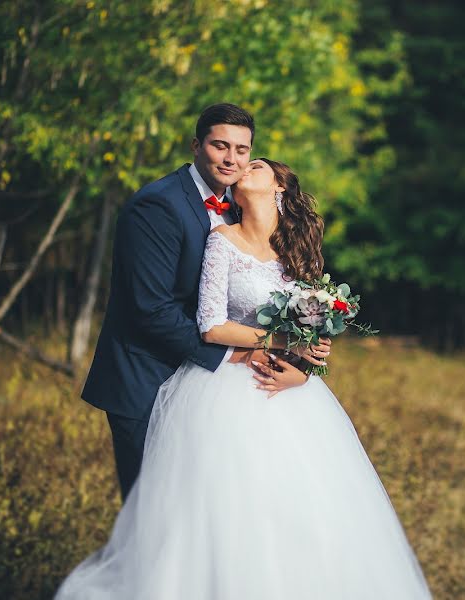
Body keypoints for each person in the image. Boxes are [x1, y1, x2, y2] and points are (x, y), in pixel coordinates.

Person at [56, 158, 432, 599]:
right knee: (224, 509)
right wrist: (276, 339)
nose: (241, 168)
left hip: (288, 393)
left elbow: (311, 329)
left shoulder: (299, 251)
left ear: (280, 189)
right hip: (224, 387)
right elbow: (211, 326)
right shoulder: (222, 240)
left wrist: (305, 367)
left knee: (299, 506)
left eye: (255, 164)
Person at [81, 103, 329, 500]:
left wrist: (303, 365)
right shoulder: (157, 205)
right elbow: (151, 311)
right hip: (149, 376)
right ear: (197, 146)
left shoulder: (240, 207)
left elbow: (304, 318)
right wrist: (243, 353)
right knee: (154, 511)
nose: (232, 159)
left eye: (242, 150)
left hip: (223, 387)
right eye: (220, 146)